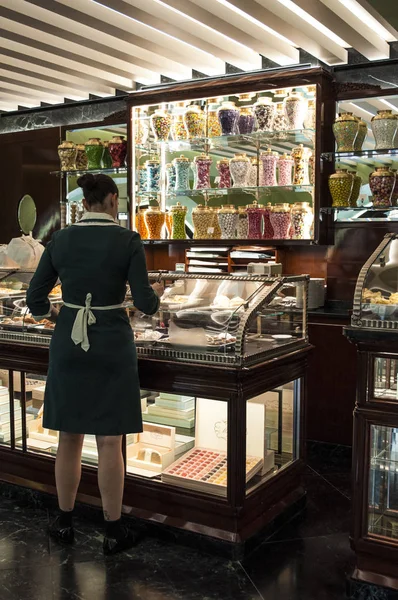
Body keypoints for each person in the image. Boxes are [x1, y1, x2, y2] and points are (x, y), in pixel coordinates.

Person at [26, 173, 163, 555]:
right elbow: (145, 300)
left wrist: (54, 313)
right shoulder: (127, 240)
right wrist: (156, 301)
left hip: (69, 341)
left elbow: (34, 296)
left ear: (84, 204)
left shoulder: (61, 239)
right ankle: (113, 530)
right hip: (112, 343)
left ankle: (65, 523)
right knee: (109, 440)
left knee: (68, 438)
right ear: (113, 201)